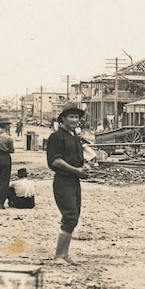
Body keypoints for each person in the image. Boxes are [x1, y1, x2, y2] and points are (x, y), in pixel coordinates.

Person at [47, 102, 90, 265]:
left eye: (77, 117)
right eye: (71, 116)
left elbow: (80, 158)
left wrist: (84, 167)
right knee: (69, 216)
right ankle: (58, 256)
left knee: (74, 217)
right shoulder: (56, 137)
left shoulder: (75, 137)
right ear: (63, 118)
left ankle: (65, 255)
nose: (74, 120)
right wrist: (76, 170)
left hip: (74, 181)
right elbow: (56, 161)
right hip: (63, 181)